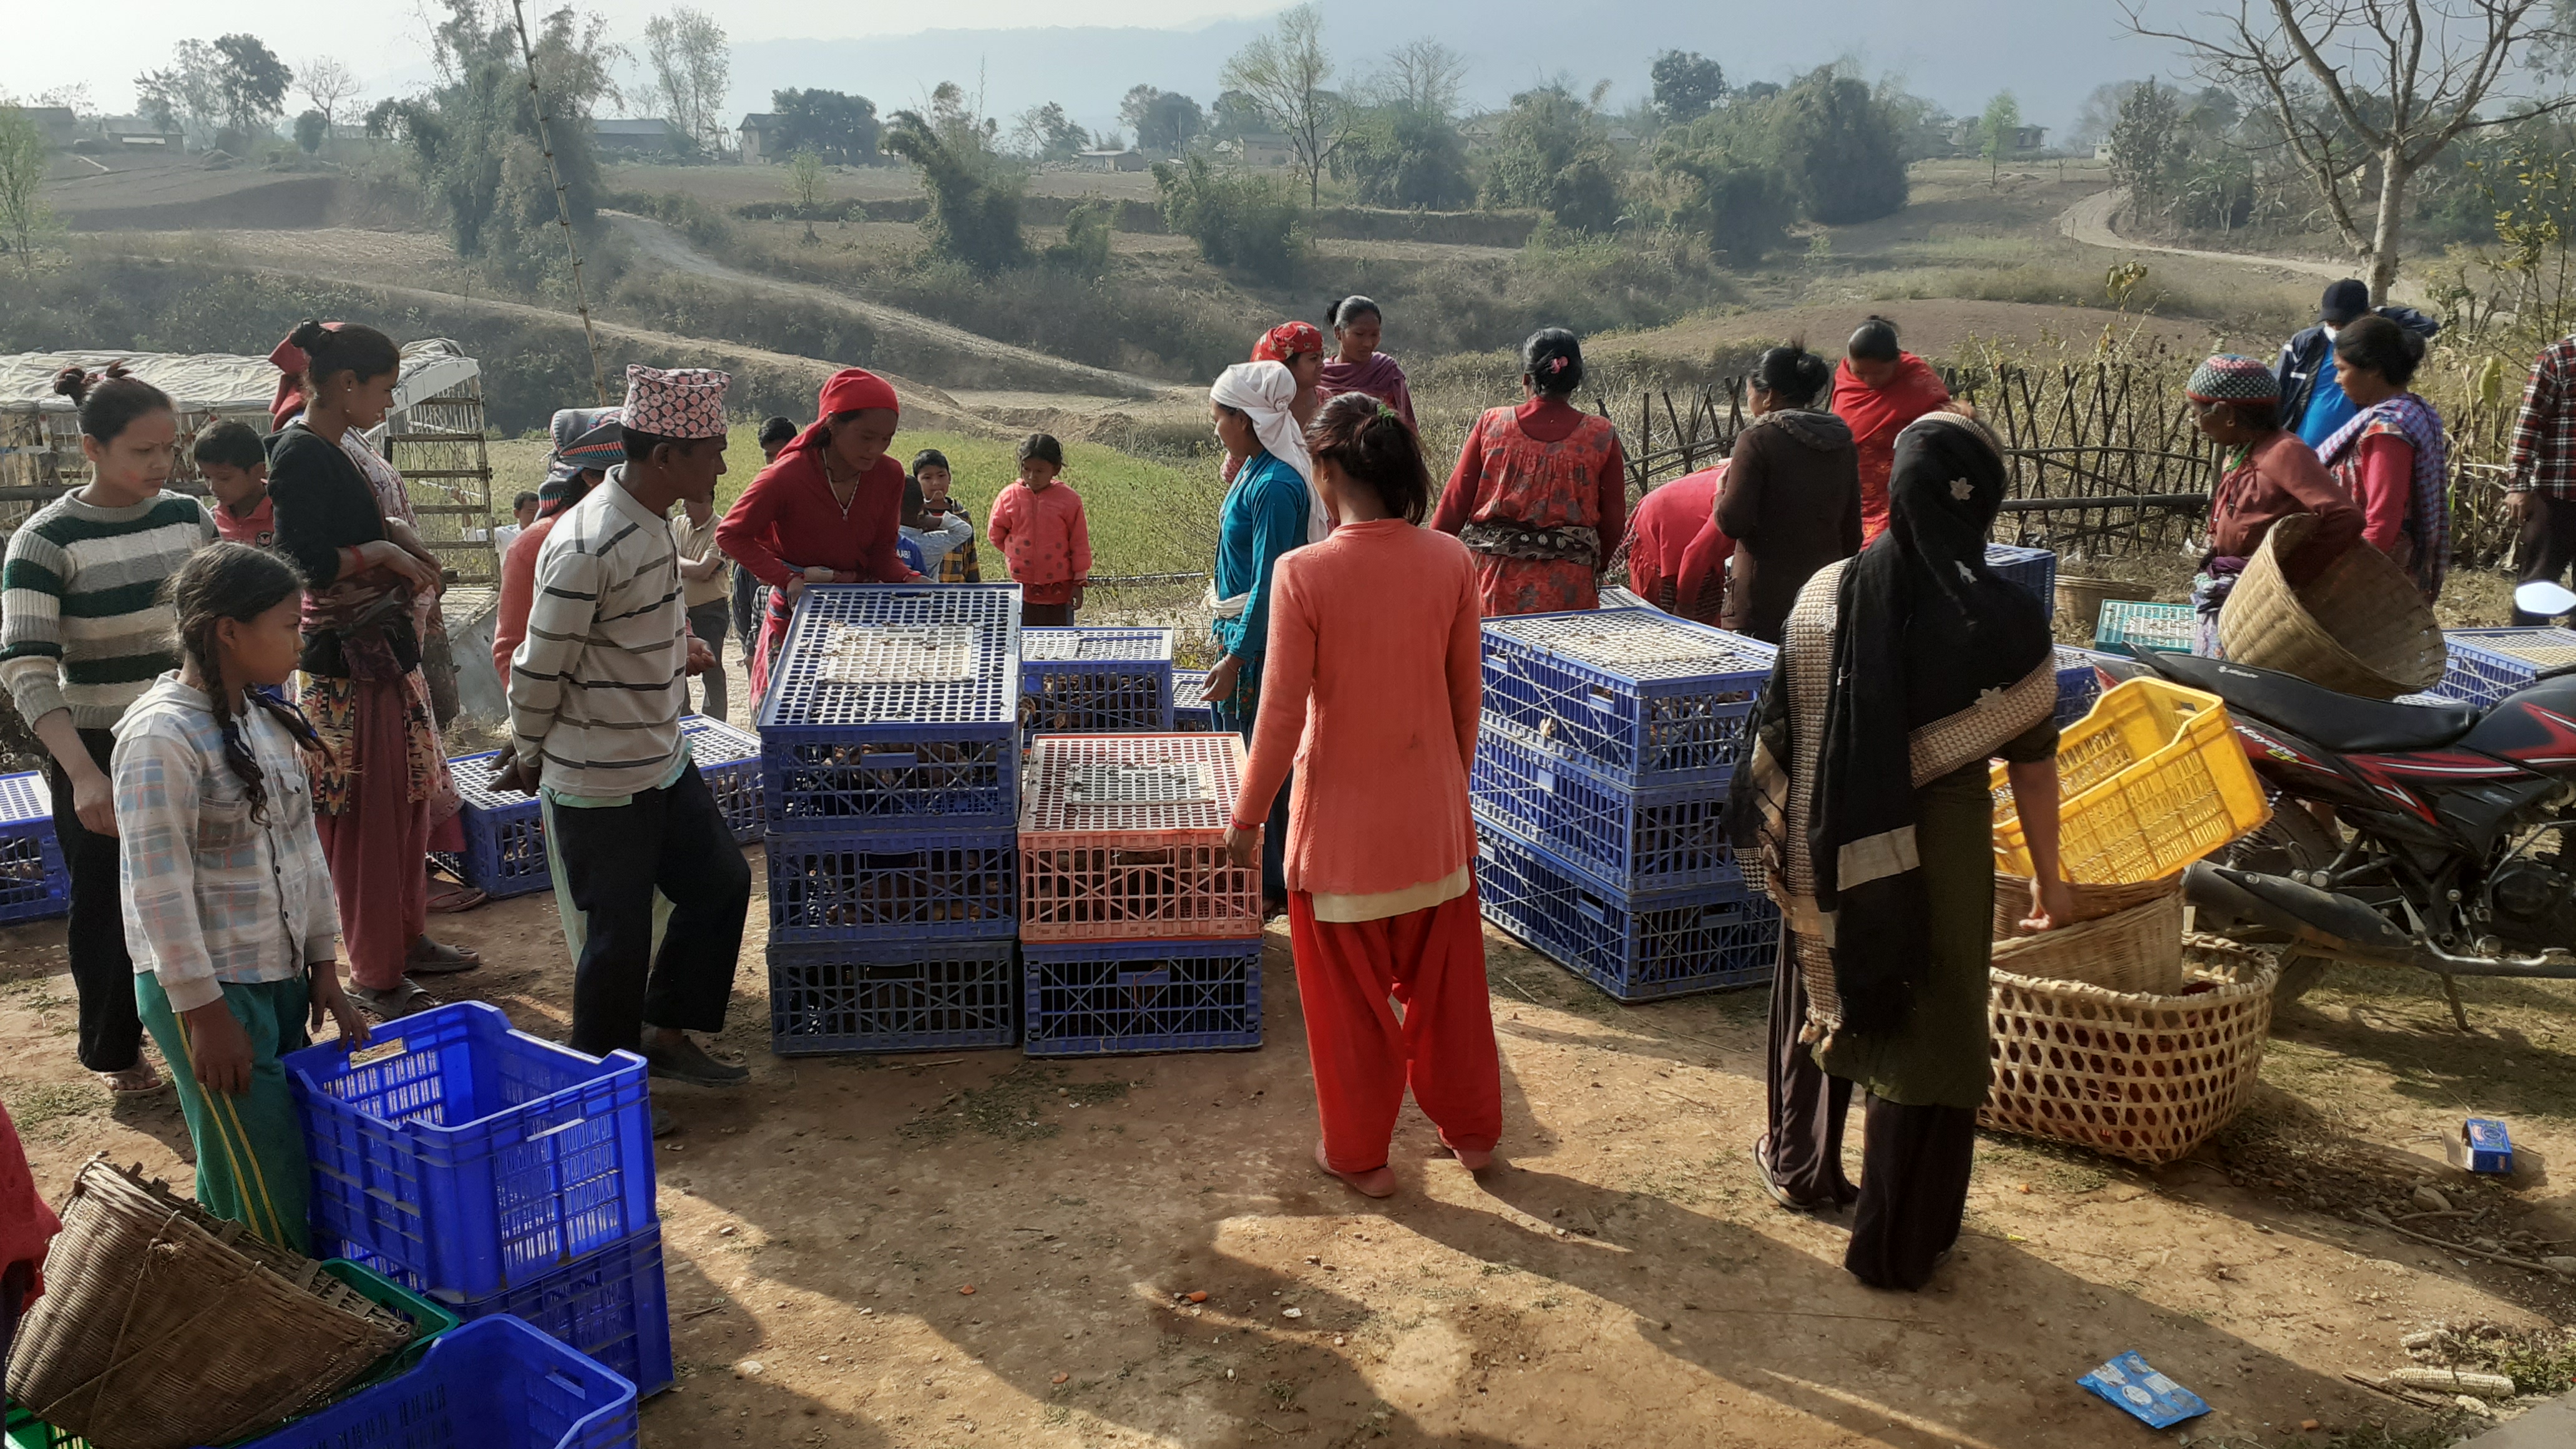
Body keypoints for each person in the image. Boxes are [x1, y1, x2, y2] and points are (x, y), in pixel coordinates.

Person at [1730, 408, 2075, 1291]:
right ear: (1985, 501)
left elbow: (1783, 729)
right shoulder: (2003, 618)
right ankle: (1903, 1238)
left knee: (1821, 987)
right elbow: (2034, 770)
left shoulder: (1823, 594)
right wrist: (2049, 875)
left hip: (1827, 834)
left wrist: (1791, 831)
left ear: (1900, 487)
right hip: (1946, 850)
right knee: (1931, 1023)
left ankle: (1800, 1163)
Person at [1224, 394, 1496, 1199]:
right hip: (1434, 836)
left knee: (1351, 1016)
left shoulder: (1304, 573)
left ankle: (1360, 1157)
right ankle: (1475, 1137)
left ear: (1330, 472)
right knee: (1451, 1003)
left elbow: (1278, 717)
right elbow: (1464, 701)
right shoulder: (1450, 560)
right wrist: (1450, 794)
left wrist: (1247, 820)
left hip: (1339, 845)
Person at [496, 366, 751, 1086]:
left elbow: (637, 627)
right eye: (712, 450)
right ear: (666, 456)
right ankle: (607, 1088)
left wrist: (680, 651)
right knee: (617, 941)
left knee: (720, 885)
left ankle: (667, 1033)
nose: (723, 465)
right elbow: (538, 665)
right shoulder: (589, 544)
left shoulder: (651, 527)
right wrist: (528, 748)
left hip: (660, 759)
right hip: (600, 778)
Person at [115, 543, 369, 1251]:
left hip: (273, 970)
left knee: (259, 1159)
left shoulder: (265, 718)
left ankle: (245, 1306)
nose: (301, 640)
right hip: (209, 990)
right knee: (267, 1181)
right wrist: (205, 1014)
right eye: (289, 625)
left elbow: (302, 853)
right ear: (228, 630)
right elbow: (156, 887)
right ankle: (282, 1323)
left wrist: (323, 967)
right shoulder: (159, 736)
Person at [0, 365, 215, 1096]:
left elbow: (215, 630)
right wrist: (84, 774)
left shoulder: (188, 518)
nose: (162, 465)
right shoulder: (44, 542)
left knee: (207, 880)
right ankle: (116, 1052)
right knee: (106, 901)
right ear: (92, 449)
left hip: (192, 731)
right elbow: (27, 669)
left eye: (170, 449)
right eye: (142, 453)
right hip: (99, 747)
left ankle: (214, 1022)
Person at [265, 320, 478, 1018]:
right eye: (384, 390)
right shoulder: (300, 454)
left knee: (407, 800)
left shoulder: (335, 449)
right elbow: (304, 560)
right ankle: (377, 969)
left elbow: (352, 524)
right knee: (364, 818)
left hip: (382, 656)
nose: (389, 403)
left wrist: (396, 538)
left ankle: (405, 940)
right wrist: (384, 556)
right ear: (347, 386)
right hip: (345, 668)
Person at [717, 369, 924, 698]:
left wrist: (911, 579)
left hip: (861, 622)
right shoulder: (785, 477)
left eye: (886, 439)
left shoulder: (889, 475)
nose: (876, 449)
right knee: (794, 720)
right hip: (798, 619)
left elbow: (882, 554)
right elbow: (730, 534)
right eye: (867, 437)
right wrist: (788, 577)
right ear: (832, 424)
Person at [1206, 361, 1328, 910]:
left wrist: (1236, 656)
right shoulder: (1255, 471)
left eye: (1221, 417)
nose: (1216, 428)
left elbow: (1269, 582)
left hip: (1254, 646)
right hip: (1241, 636)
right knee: (1248, 756)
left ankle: (1271, 880)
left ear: (1248, 420)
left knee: (1262, 760)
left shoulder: (1276, 486)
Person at [1430, 328, 1627, 616]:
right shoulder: (1600, 434)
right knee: (1559, 661)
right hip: (1569, 587)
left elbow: (1454, 504)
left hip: (1493, 583)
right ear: (1575, 380)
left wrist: (1430, 565)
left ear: (1526, 378)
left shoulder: (1493, 423)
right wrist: (1599, 564)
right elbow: (1613, 520)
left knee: (1491, 657)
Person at [2182, 356, 2368, 655]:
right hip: (2236, 589)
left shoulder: (2284, 452)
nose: (2198, 426)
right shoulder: (2243, 452)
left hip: (2265, 598)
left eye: (2197, 414)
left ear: (2227, 413)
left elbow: (2345, 517)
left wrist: (2291, 574)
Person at [1717, 344, 1863, 643]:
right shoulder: (1841, 441)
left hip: (1762, 601)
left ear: (1769, 394)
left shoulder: (1758, 438)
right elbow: (1852, 535)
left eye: (1750, 394)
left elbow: (1733, 522)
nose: (1751, 401)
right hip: (1821, 597)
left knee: (1758, 685)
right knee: (1810, 685)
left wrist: (1721, 491)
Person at [2316, 314, 2451, 601]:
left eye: (2342, 369)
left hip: (2372, 576)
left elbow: (2382, 520)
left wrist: (2344, 581)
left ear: (2374, 370)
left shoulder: (2387, 431)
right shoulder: (2413, 411)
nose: (2337, 379)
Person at [495, 409, 622, 688]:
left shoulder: (650, 532)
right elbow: (512, 652)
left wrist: (686, 638)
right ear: (591, 477)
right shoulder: (534, 546)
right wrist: (538, 728)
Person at [2275, 280, 2442, 449]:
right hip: (2300, 452)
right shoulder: (2304, 344)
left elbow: (2428, 327)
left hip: (2353, 454)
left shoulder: (2375, 345)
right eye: (2331, 322)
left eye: (2343, 323)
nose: (2336, 328)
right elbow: (2276, 393)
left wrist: (2379, 316)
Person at [1830, 316, 1950, 544]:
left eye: (1877, 374)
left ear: (1897, 362)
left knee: (1890, 548)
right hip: (1852, 489)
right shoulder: (1845, 378)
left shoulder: (1918, 382)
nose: (1868, 380)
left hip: (1901, 489)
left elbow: (1942, 427)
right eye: (1861, 373)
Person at [986, 433, 1091, 627]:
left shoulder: (1069, 500)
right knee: (1023, 640)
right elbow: (996, 533)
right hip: (1021, 586)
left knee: (1058, 643)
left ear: (1056, 469)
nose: (1032, 477)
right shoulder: (1008, 497)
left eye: (1040, 471)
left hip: (1060, 589)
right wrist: (1017, 553)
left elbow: (1079, 542)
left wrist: (1079, 581)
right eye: (1027, 470)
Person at [2508, 329, 2576, 624]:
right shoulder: (2559, 357)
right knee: (2537, 587)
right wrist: (2519, 485)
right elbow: (2530, 423)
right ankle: (2522, 660)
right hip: (2558, 495)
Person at [1619, 466, 1732, 625]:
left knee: (1707, 615)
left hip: (1690, 524)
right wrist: (1685, 606)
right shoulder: (1738, 502)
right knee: (1662, 625)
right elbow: (1697, 554)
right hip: (1661, 528)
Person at [733, 416, 801, 662]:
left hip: (792, 578)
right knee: (753, 646)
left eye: (780, 453)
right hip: (756, 572)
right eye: (768, 455)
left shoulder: (810, 488)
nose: (774, 462)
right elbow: (733, 534)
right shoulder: (763, 486)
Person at [1315, 297, 1416, 431]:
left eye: (1374, 335)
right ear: (1338, 333)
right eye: (1359, 334)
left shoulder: (1387, 372)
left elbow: (1408, 428)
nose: (1368, 343)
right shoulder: (1319, 377)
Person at [193, 421, 275, 547]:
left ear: (259, 471)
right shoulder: (210, 523)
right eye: (207, 477)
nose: (212, 487)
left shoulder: (284, 515)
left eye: (224, 478)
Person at [910, 449, 982, 583]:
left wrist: (975, 587)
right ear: (916, 482)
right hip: (923, 590)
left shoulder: (961, 515)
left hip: (956, 591)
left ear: (950, 477)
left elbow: (970, 557)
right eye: (927, 478)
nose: (936, 483)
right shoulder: (913, 517)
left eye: (941, 476)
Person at [898, 474, 976, 580]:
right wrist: (940, 521)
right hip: (927, 596)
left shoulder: (882, 540)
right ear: (923, 506)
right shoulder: (929, 543)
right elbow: (964, 531)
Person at [1252, 321, 1329, 427]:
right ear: (1286, 365)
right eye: (1313, 359)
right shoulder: (1261, 405)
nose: (1321, 365)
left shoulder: (1326, 400)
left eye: (1322, 357)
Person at [492, 490, 538, 558]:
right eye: (531, 512)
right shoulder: (505, 535)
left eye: (538, 512)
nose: (536, 516)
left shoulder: (549, 535)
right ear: (516, 513)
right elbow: (474, 538)